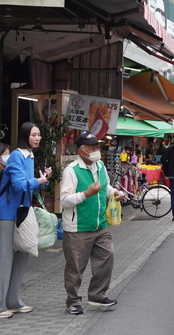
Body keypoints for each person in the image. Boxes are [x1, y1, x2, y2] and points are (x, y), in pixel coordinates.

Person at [0, 122, 52, 319]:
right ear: (25, 136)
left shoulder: (29, 156)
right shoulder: (17, 155)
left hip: (22, 211)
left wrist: (42, 180)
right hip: (8, 213)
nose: (37, 138)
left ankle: (12, 301)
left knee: (23, 254)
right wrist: (38, 181)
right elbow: (18, 185)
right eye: (34, 135)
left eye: (39, 134)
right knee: (4, 259)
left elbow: (27, 187)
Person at [60, 132, 126, 315]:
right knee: (75, 267)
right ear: (82, 151)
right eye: (93, 148)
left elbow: (105, 187)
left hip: (101, 224)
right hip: (78, 227)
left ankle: (97, 294)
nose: (97, 151)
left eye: (98, 147)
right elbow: (64, 200)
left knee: (107, 256)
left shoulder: (100, 166)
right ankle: (72, 301)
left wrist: (114, 193)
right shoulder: (71, 171)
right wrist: (85, 194)